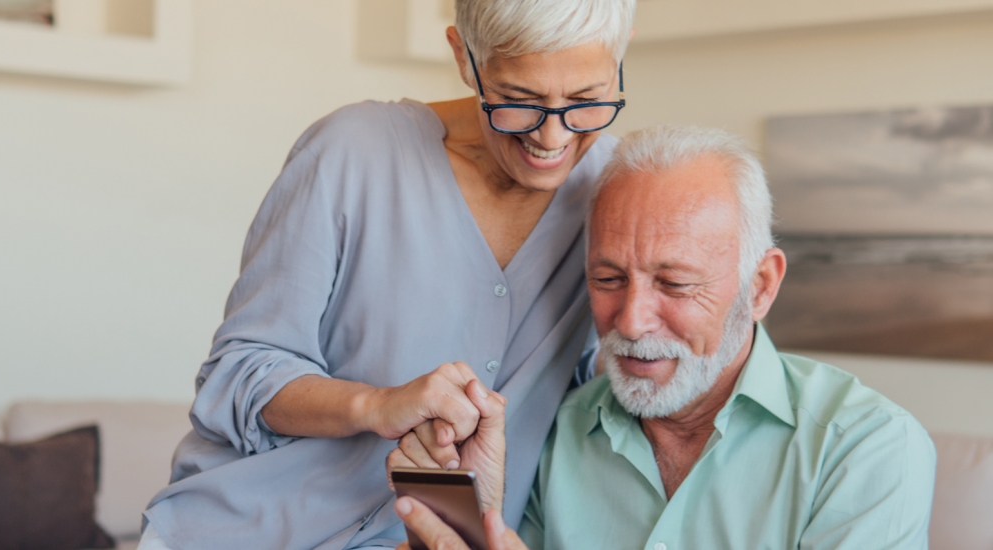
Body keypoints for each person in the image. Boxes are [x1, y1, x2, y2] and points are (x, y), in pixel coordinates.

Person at [139, 1, 638, 549]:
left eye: (586, 101)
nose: (550, 137)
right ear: (464, 59)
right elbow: (236, 374)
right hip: (241, 531)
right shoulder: (352, 152)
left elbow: (603, 400)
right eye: (519, 102)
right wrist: (377, 406)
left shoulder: (619, 193)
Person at [389, 125, 938, 550]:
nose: (630, 322)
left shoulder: (865, 447)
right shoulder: (559, 430)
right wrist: (482, 517)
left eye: (674, 284)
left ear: (761, 286)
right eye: (608, 279)